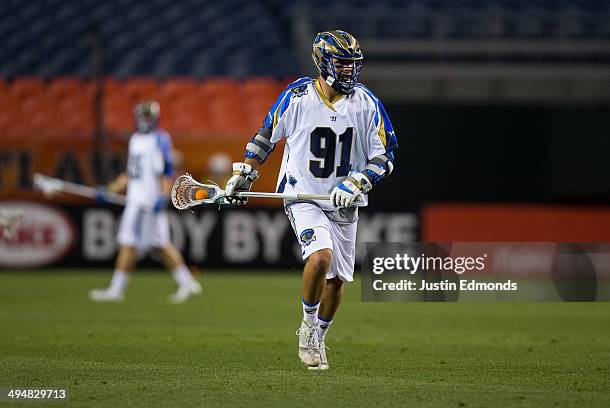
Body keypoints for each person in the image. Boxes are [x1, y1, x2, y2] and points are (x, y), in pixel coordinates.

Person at [224, 30, 397, 370]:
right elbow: (265, 136)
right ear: (322, 62)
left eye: (352, 65)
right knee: (320, 257)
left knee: (336, 281)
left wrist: (359, 179)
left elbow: (386, 154)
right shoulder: (298, 96)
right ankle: (307, 327)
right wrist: (246, 171)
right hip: (302, 193)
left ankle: (319, 333)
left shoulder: (366, 103)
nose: (349, 71)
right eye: (342, 64)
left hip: (344, 201)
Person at [89, 101, 201, 304]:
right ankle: (186, 283)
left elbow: (167, 171)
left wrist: (164, 196)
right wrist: (110, 189)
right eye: (142, 116)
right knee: (150, 244)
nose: (144, 121)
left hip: (149, 201)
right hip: (136, 200)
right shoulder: (135, 139)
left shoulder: (160, 139)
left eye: (148, 117)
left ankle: (117, 289)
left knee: (135, 243)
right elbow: (131, 174)